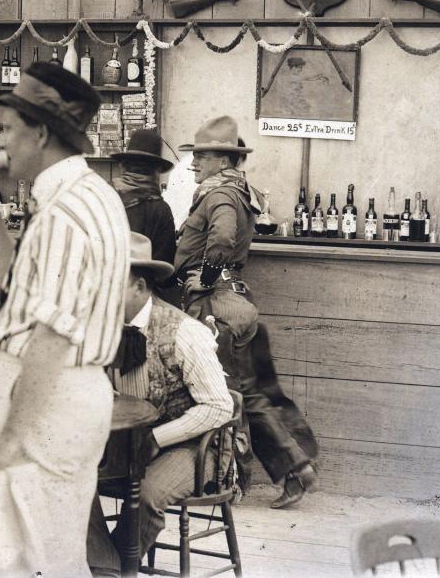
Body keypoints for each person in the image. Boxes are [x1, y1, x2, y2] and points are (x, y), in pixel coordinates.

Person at [0, 62, 130, 575]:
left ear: (42, 132)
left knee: (20, 562)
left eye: (10, 127)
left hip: (49, 395)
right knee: (53, 558)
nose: (2, 140)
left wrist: (12, 434)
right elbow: (19, 282)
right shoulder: (89, 196)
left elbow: (50, 337)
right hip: (66, 393)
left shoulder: (63, 215)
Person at [173, 116, 318, 509]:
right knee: (250, 392)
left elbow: (221, 239)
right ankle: (293, 467)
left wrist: (204, 278)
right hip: (233, 302)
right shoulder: (236, 191)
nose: (194, 163)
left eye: (202, 156)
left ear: (223, 161)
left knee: (234, 395)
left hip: (217, 305)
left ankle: (288, 470)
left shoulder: (219, 195)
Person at [87, 232, 233, 576]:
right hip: (131, 441)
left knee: (149, 493)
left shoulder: (185, 332)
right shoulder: (104, 328)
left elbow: (218, 406)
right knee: (71, 477)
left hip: (195, 447)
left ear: (139, 286)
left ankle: (114, 568)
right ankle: (106, 565)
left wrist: (157, 438)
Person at [110, 129, 177, 267]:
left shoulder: (103, 193)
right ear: (156, 171)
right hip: (138, 284)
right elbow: (164, 262)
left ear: (123, 165)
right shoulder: (160, 209)